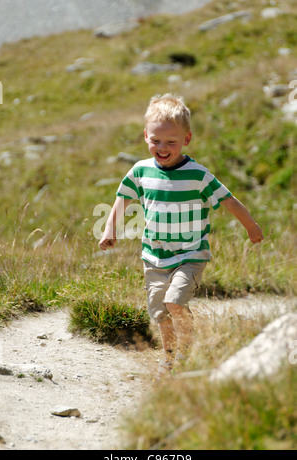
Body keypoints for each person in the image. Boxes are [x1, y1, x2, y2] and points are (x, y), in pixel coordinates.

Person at [99, 94, 264, 376]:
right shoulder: (141, 171)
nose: (162, 148)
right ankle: (169, 356)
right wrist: (109, 229)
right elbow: (122, 199)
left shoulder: (198, 174)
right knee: (160, 312)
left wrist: (250, 226)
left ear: (186, 139)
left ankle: (188, 352)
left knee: (175, 301)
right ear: (145, 136)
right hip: (154, 257)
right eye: (155, 141)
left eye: (171, 142)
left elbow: (229, 201)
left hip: (190, 254)